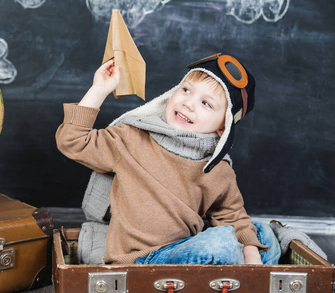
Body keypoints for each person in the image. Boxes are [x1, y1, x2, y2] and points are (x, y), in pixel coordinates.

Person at [55, 53, 280, 265]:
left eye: (206, 103)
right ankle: (230, 261)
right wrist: (99, 89)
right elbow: (73, 141)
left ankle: (245, 274)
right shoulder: (133, 139)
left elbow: (233, 216)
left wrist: (253, 262)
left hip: (184, 252)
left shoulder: (218, 169)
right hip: (141, 260)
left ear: (223, 126)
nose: (187, 103)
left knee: (263, 235)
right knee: (221, 242)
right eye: (186, 90)